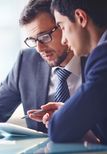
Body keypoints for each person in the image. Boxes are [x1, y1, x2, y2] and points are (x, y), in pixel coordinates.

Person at [0, 0, 86, 139]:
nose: (39, 49)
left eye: (44, 37)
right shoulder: (27, 61)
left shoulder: (97, 59)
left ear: (64, 26)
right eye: (33, 40)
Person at [33, 0, 107, 145]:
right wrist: (73, 111)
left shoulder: (103, 56)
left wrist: (66, 117)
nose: (64, 40)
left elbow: (58, 130)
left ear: (80, 18)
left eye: (62, 27)